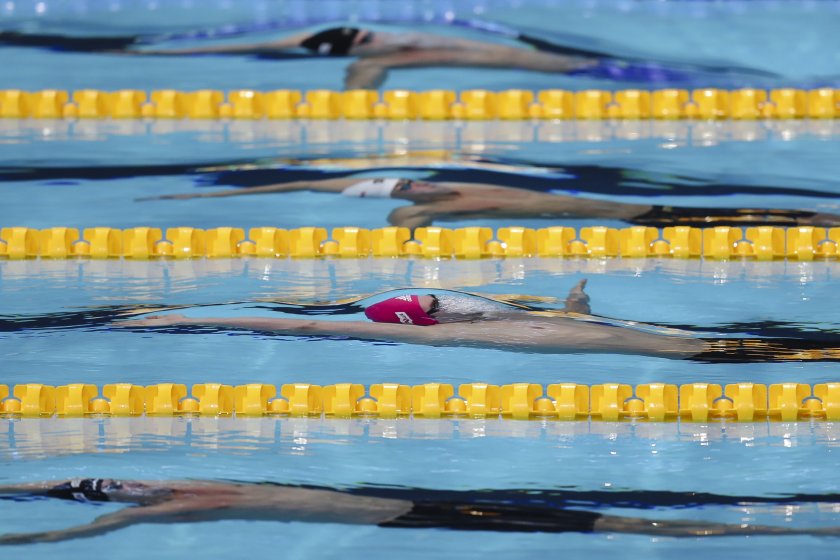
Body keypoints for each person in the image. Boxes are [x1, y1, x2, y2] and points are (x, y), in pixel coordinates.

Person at [116, 281, 840, 363]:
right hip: (702, 356)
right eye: (431, 302)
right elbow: (302, 329)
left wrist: (573, 311)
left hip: (681, 344)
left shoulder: (510, 315)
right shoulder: (459, 331)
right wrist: (190, 314)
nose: (445, 295)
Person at [1, 478, 838, 544]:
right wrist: (47, 527)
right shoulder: (165, 513)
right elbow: (91, 528)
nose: (117, 489)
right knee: (602, 526)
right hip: (408, 522)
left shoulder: (184, 479)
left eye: (106, 481)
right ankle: (746, 531)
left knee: (589, 514)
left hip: (415, 494)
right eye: (103, 490)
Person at [0, 25, 776, 89]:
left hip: (567, 62)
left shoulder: (395, 46)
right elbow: (369, 68)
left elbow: (369, 66)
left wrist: (361, 79)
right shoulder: (394, 49)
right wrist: (362, 80)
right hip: (567, 64)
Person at [141, 175, 840, 229]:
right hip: (625, 218)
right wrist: (409, 218)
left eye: (412, 182)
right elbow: (396, 215)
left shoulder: (449, 186)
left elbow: (307, 184)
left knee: (771, 213)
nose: (420, 188)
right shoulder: (442, 207)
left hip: (620, 209)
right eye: (409, 189)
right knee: (757, 218)